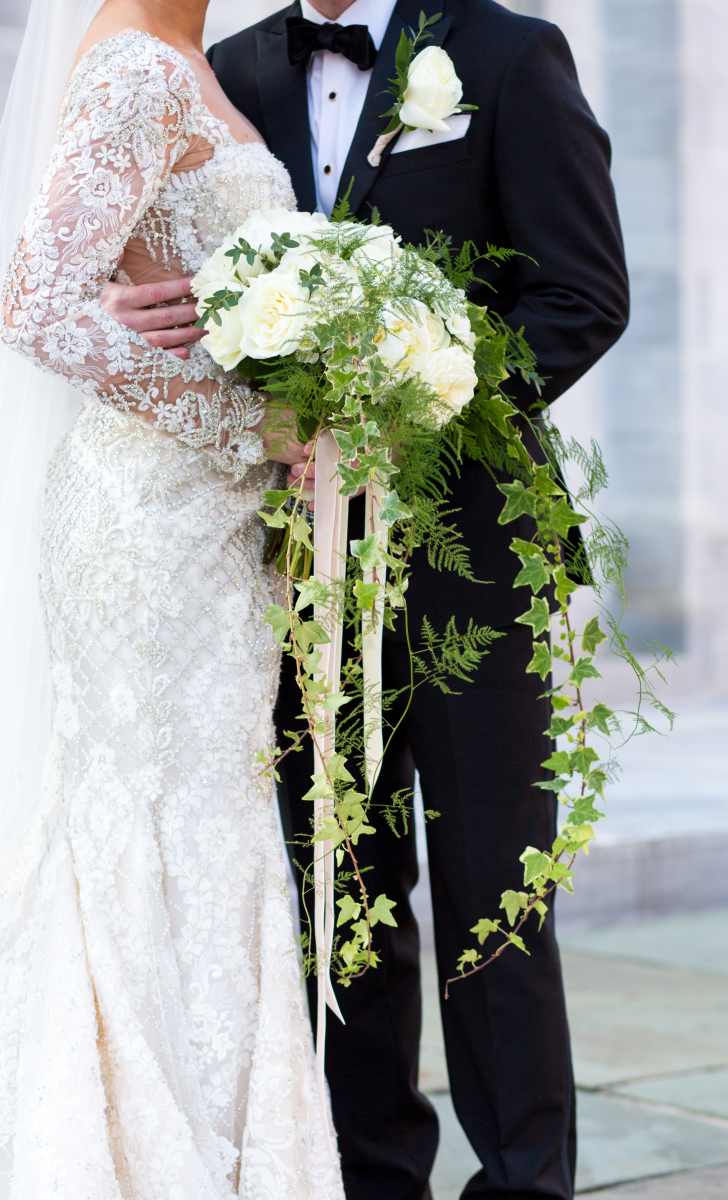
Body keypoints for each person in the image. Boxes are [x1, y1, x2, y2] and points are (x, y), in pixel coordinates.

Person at [111, 1, 630, 1197]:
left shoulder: (506, 53)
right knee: (337, 884)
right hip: (288, 555)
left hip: (471, 558)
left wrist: (410, 409)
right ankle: (370, 1174)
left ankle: (522, 1181)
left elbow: (580, 294)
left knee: (496, 886)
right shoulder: (227, 70)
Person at [0, 0, 346, 1194]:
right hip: (142, 526)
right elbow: (36, 304)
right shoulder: (137, 67)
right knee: (151, 820)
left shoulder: (195, 59)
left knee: (216, 827)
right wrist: (258, 425)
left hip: (219, 529)